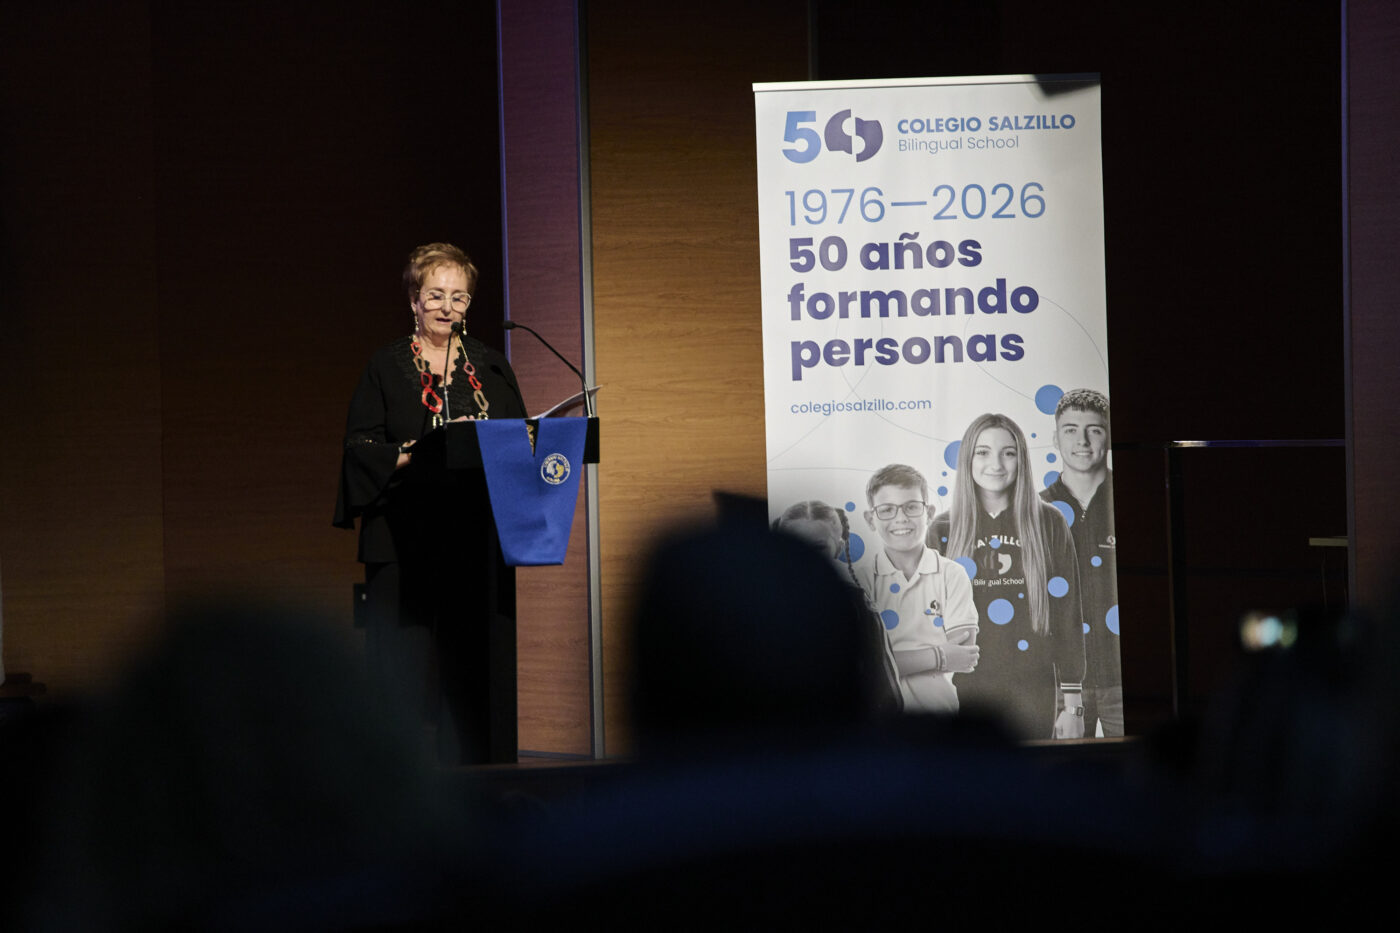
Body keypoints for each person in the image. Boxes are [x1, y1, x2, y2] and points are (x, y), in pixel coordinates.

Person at [334, 242, 527, 764]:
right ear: (414, 302)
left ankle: (482, 775)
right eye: (436, 295)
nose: (448, 307)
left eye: (459, 298)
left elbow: (519, 440)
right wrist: (417, 453)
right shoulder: (387, 365)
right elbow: (360, 448)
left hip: (475, 537)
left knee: (473, 666)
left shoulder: (490, 365)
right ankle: (394, 780)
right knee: (402, 667)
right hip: (403, 536)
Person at [928, 414, 1086, 740]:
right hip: (964, 690)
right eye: (983, 452)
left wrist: (1072, 706)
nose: (996, 464)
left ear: (1021, 460)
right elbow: (927, 620)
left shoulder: (1049, 521)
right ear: (968, 459)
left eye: (1008, 452)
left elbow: (1068, 613)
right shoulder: (943, 529)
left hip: (1034, 687)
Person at [855, 465, 979, 714]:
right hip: (877, 724)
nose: (900, 519)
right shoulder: (859, 581)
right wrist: (939, 656)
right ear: (871, 519)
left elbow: (964, 654)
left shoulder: (951, 574)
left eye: (911, 507)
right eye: (887, 510)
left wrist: (885, 659)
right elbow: (856, 666)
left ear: (929, 512)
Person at [1040, 389, 1122, 737]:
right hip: (1059, 688)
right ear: (1055, 438)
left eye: (1095, 429)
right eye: (1071, 429)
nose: (1083, 441)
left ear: (1109, 435)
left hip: (1124, 680)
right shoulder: (1035, 511)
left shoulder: (1131, 498)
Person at [773, 499, 903, 715]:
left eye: (817, 548)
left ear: (839, 548)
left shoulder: (857, 604)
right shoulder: (757, 602)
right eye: (795, 546)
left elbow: (886, 690)